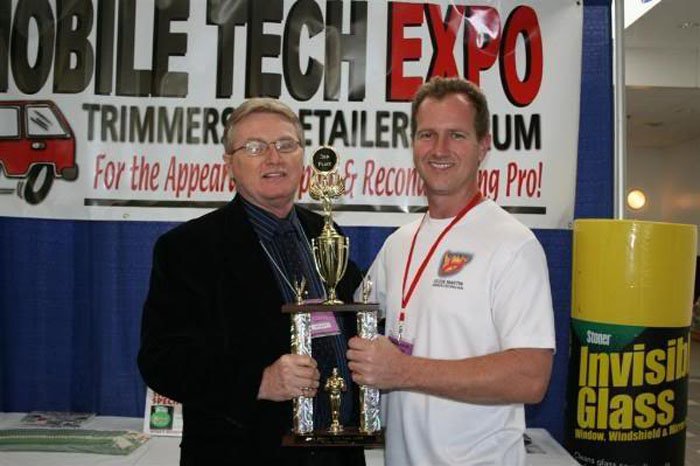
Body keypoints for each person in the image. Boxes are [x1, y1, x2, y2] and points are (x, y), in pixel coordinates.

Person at [138, 97, 366, 466]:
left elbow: (355, 323)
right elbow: (161, 360)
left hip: (336, 455)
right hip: (243, 454)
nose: (274, 158)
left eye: (285, 145)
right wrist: (259, 381)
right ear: (229, 164)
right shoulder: (187, 249)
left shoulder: (325, 233)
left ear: (302, 157)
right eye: (255, 147)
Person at [347, 77, 555, 466]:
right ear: (413, 145)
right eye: (427, 134)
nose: (439, 149)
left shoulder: (513, 244)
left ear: (483, 146)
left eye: (456, 135)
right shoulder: (398, 244)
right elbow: (351, 319)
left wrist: (404, 370)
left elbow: (531, 377)